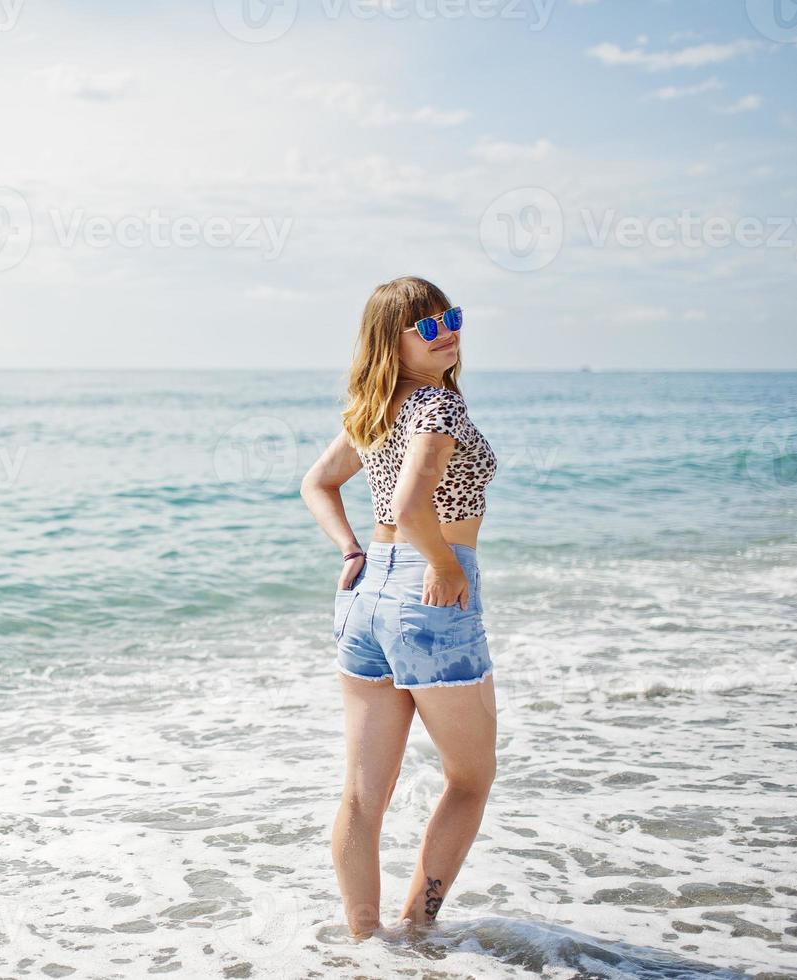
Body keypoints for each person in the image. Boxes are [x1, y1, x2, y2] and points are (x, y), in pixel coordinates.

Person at [299, 275, 499, 938]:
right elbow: (414, 508)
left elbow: (316, 484)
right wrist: (443, 565)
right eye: (429, 327)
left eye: (453, 319)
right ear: (392, 340)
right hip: (427, 593)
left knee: (361, 796)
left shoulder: (373, 408)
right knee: (469, 779)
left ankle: (365, 946)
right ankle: (415, 929)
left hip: (364, 599)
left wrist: (350, 549)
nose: (449, 334)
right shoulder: (436, 407)